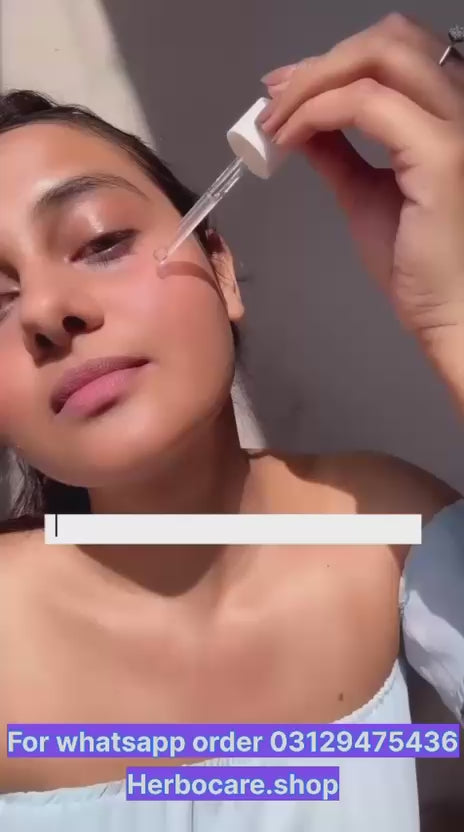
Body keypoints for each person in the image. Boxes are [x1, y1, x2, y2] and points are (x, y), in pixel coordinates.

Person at [1, 11, 464, 832]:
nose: (46, 311)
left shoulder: (380, 531)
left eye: (101, 242)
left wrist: (458, 319)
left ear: (222, 269)